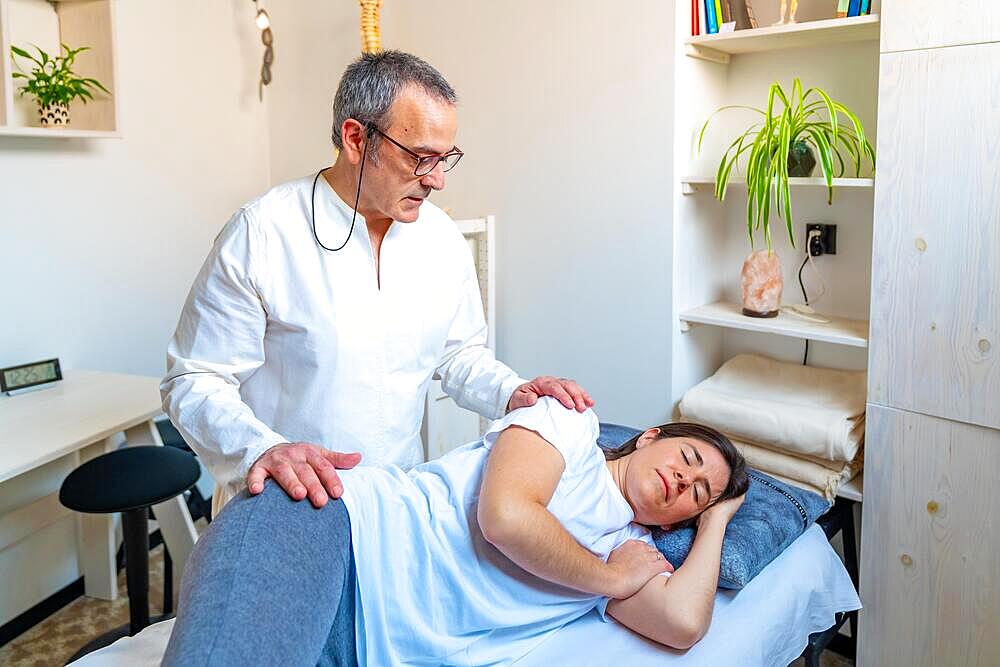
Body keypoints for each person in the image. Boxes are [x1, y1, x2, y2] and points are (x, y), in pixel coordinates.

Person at [161, 51, 593, 513]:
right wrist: (260, 449)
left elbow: (459, 353)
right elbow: (195, 378)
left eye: (446, 158)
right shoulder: (263, 232)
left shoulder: (441, 238)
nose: (438, 181)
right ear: (356, 138)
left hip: (398, 498)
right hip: (288, 500)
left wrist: (512, 392)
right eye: (422, 158)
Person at [163, 398, 750, 665]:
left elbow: (681, 624)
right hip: (334, 532)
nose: (686, 481)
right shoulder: (568, 428)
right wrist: (606, 579)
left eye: (699, 494)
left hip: (365, 647)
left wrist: (719, 518)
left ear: (679, 523)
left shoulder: (637, 553)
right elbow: (507, 518)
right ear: (650, 436)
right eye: (690, 459)